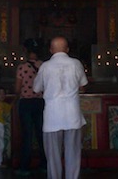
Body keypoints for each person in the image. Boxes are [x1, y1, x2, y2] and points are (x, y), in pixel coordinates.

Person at [33, 36, 88, 179]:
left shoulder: (45, 66)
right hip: (72, 115)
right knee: (73, 153)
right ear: (67, 49)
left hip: (52, 116)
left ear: (51, 50)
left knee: (53, 156)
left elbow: (36, 88)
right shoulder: (76, 64)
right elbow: (83, 85)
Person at [14, 39, 46, 176]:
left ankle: (25, 168)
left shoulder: (22, 67)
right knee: (41, 134)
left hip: (26, 103)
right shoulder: (44, 66)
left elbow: (17, 88)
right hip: (40, 102)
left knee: (27, 135)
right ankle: (44, 165)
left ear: (26, 51)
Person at [0, 86, 11, 168]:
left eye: (3, 93)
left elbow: (10, 107)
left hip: (1, 126)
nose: (2, 95)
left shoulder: (5, 105)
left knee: (1, 145)